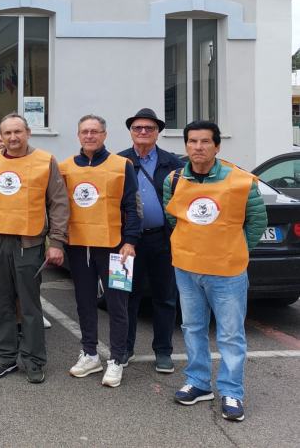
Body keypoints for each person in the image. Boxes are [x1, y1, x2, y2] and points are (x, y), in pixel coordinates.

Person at [164, 121, 266, 422]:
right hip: (186, 268)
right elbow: (175, 219)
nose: (198, 147)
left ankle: (232, 391)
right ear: (186, 146)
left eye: (205, 141)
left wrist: (234, 248)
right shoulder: (173, 180)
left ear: (217, 146)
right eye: (192, 141)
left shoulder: (241, 181)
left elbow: (257, 222)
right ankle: (198, 382)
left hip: (227, 271)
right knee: (192, 328)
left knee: (231, 334)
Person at [0, 113, 68, 383]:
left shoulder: (45, 161)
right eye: (7, 133)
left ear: (28, 132)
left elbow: (59, 203)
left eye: (18, 131)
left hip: (29, 243)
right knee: (0, 303)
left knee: (29, 304)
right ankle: (5, 357)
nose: (13, 137)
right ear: (0, 137)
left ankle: (34, 359)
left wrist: (57, 241)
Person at [60, 114, 141, 388]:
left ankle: (117, 359)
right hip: (79, 245)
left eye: (95, 131)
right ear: (78, 135)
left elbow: (133, 205)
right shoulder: (66, 167)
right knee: (84, 302)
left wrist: (130, 240)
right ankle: (90, 353)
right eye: (85, 131)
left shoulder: (122, 165)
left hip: (117, 247)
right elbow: (59, 207)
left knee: (118, 304)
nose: (90, 136)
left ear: (105, 135)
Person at [118, 108, 184, 373]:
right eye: (138, 128)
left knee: (165, 298)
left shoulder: (173, 163)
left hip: (162, 241)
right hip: (127, 243)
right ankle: (125, 348)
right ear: (131, 132)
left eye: (149, 128)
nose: (143, 132)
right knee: (126, 297)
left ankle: (164, 351)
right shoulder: (119, 162)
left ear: (158, 132)